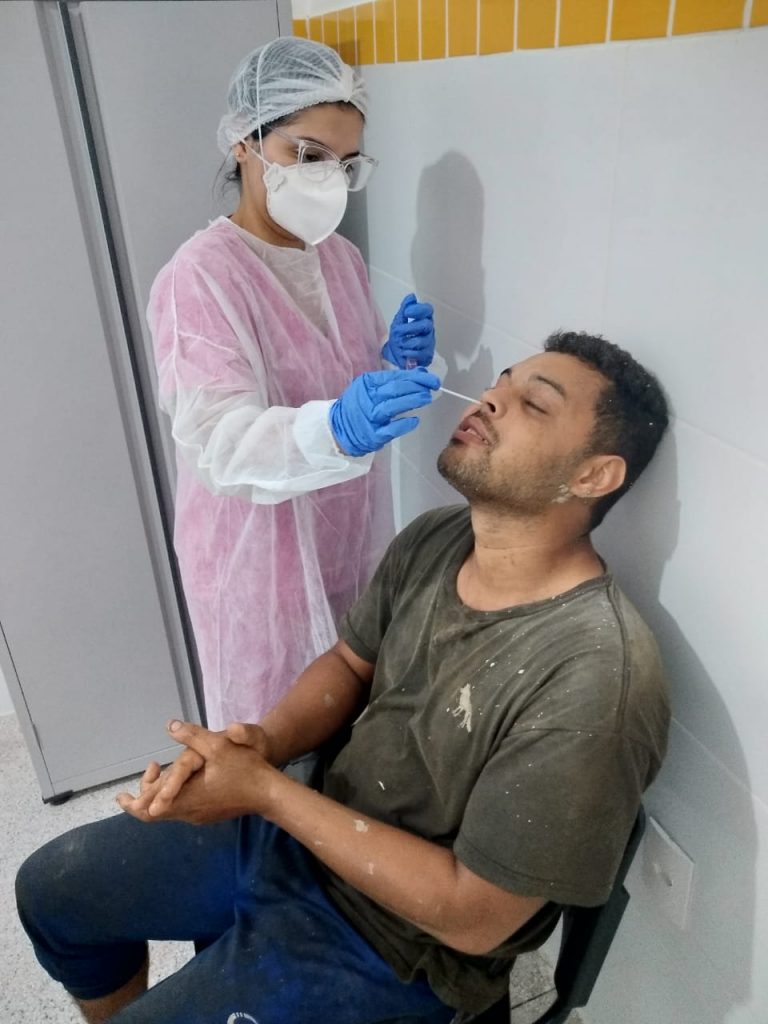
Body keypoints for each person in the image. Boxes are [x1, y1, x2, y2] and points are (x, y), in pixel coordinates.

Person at [16, 332, 671, 1024]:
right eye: (500, 382)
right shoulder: (437, 538)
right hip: (308, 830)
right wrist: (264, 744)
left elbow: (474, 917)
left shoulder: (596, 678)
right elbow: (347, 664)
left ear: (594, 476)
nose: (489, 399)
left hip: (401, 945)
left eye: (533, 404)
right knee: (52, 891)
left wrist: (265, 791)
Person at [147, 36, 442, 729]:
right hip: (258, 558)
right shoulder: (201, 277)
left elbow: (332, 383)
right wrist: (337, 427)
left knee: (349, 717)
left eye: (345, 163)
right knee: (271, 735)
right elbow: (218, 442)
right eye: (308, 154)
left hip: (347, 534)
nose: (326, 179)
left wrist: (389, 364)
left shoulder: (338, 258)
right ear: (244, 142)